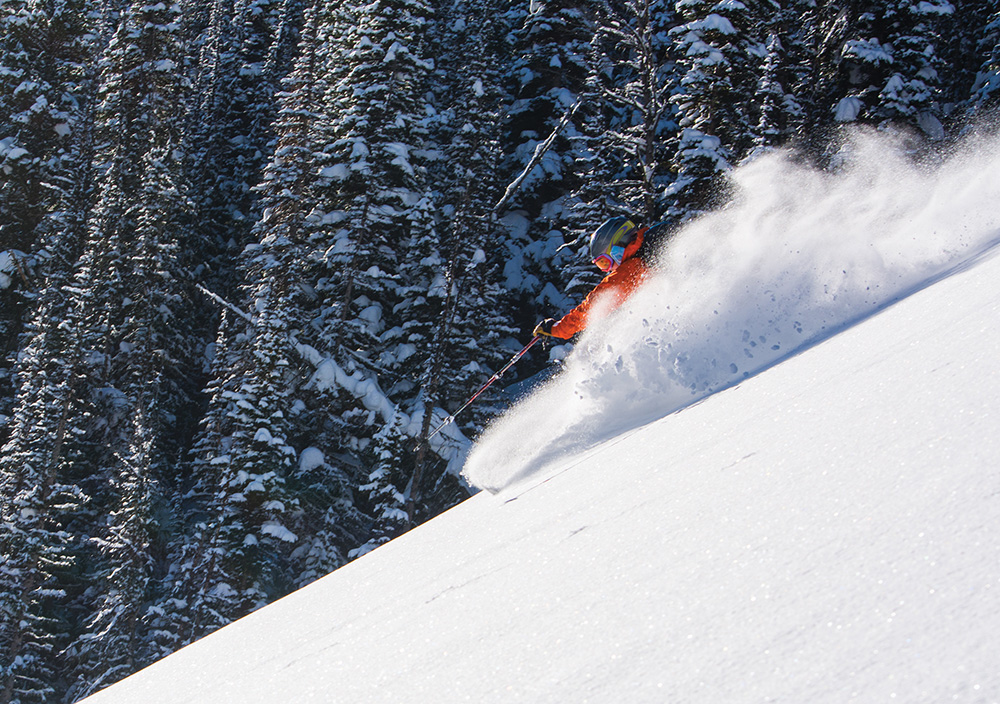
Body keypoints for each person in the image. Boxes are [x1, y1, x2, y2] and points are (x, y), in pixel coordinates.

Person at [533, 216, 665, 340]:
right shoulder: (650, 239)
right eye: (602, 265)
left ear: (618, 244)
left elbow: (597, 303)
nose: (609, 269)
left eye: (605, 262)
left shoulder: (635, 265)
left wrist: (558, 329)